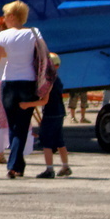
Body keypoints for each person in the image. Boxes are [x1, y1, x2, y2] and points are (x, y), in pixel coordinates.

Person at [0, 0, 48, 178]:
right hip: (27, 83)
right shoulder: (34, 33)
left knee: (14, 126)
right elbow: (43, 57)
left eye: (5, 15)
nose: (3, 19)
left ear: (12, 16)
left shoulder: (3, 37)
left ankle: (15, 166)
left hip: (9, 84)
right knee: (21, 126)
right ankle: (15, 165)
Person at [36, 49, 72, 177]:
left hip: (50, 113)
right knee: (59, 141)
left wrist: (27, 104)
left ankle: (49, 169)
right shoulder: (58, 79)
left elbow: (43, 99)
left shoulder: (48, 80)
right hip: (60, 112)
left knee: (47, 143)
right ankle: (65, 166)